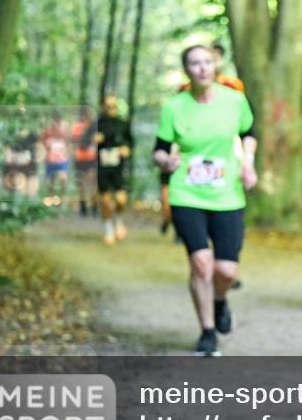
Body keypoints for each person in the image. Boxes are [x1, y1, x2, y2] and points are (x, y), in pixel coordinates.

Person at [153, 45, 257, 357]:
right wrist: (165, 162)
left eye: (207, 62)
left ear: (216, 66)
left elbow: (250, 132)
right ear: (187, 70)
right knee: (201, 263)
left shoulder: (234, 101)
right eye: (195, 63)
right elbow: (159, 148)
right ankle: (207, 331)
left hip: (227, 195)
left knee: (226, 271)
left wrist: (248, 163)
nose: (202, 68)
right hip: (187, 192)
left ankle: (219, 300)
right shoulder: (174, 107)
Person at [95, 95, 133, 245]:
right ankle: (108, 229)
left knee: (121, 199)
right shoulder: (97, 124)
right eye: (108, 106)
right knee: (105, 200)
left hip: (118, 167)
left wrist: (126, 149)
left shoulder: (122, 124)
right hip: (102, 167)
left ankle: (118, 220)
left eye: (114, 106)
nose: (111, 109)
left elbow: (130, 142)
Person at [71, 107, 98, 217]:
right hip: (80, 158)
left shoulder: (94, 126)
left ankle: (93, 206)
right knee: (83, 183)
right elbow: (73, 141)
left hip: (90, 158)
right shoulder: (77, 127)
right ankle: (84, 206)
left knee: (92, 182)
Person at [40, 111, 71, 207]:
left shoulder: (65, 130)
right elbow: (42, 140)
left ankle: (62, 198)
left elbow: (69, 141)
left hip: (62, 159)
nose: (57, 122)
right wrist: (47, 146)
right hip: (50, 159)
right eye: (55, 120)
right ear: (53, 120)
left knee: (63, 179)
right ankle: (52, 199)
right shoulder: (48, 130)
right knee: (51, 180)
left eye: (59, 120)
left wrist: (66, 150)